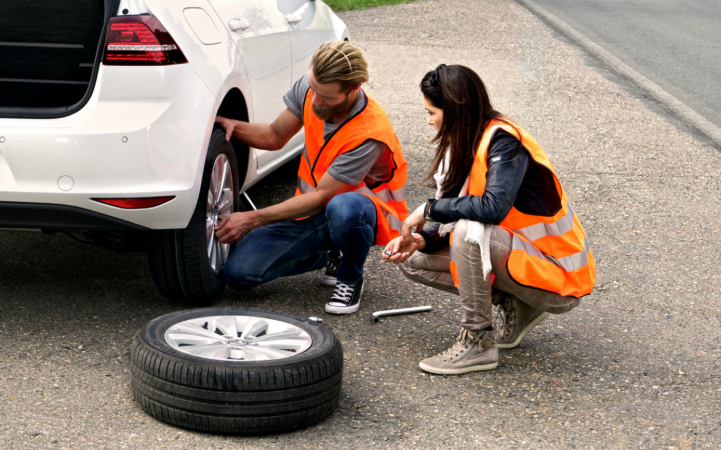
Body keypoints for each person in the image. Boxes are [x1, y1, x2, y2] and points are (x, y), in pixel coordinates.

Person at [383, 64, 595, 374]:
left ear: (455, 110)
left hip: (560, 277)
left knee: (470, 231)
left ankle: (478, 341)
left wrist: (429, 209)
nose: (428, 120)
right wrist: (423, 239)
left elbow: (491, 209)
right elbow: (464, 213)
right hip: (522, 260)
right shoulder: (467, 141)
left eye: (431, 112)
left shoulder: (504, 141)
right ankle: (519, 305)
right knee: (414, 258)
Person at [214, 41, 408, 314]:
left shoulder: (370, 133)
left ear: (353, 89)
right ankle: (328, 250)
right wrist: (231, 126)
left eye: (326, 97)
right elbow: (273, 135)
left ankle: (350, 276)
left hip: (364, 212)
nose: (314, 100)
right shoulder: (311, 87)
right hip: (315, 211)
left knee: (343, 209)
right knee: (239, 274)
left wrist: (251, 219)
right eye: (313, 88)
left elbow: (321, 198)